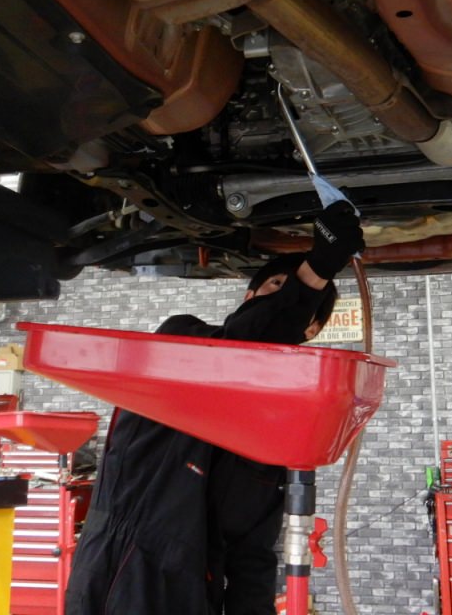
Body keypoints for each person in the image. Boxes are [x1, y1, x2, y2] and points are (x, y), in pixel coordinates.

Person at [65, 201, 364, 615]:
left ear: (311, 330)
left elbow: (252, 557)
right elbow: (236, 349)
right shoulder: (181, 338)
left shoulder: (270, 438)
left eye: (297, 296)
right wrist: (314, 272)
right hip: (118, 571)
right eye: (277, 285)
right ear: (249, 296)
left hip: (193, 595)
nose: (286, 295)